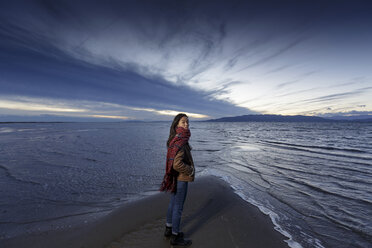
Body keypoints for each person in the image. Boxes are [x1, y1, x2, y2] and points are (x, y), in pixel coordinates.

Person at [160, 113, 195, 247]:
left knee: (173, 203)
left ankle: (168, 229)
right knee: (178, 207)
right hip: (180, 178)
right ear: (176, 125)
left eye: (187, 122)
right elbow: (177, 164)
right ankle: (175, 236)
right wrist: (190, 170)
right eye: (183, 122)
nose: (186, 125)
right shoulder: (181, 141)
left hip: (175, 177)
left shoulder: (175, 139)